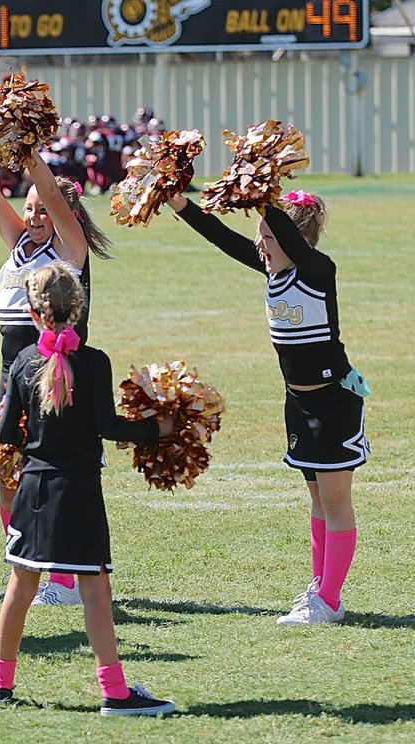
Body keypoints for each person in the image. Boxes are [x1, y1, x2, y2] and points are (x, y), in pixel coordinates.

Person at [166, 188, 367, 626]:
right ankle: (321, 589)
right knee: (316, 498)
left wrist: (262, 192)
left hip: (333, 403)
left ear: (293, 239)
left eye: (269, 238)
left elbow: (289, 239)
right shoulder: (272, 268)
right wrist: (183, 205)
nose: (261, 245)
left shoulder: (317, 270)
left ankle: (330, 599)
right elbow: (221, 237)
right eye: (261, 237)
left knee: (335, 501)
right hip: (298, 402)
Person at [0, 262, 175, 715]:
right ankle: (114, 691)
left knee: (20, 586)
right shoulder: (94, 361)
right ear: (80, 309)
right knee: (94, 590)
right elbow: (108, 426)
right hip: (79, 491)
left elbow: (8, 433)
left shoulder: (25, 362)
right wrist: (158, 429)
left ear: (33, 312)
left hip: (32, 491)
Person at [0, 149, 114, 606]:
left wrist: (28, 150)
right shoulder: (18, 244)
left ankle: (65, 582)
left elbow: (50, 189)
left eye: (41, 209)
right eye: (28, 207)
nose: (32, 215)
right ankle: (25, 566)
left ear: (61, 215)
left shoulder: (69, 250)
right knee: (6, 471)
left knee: (52, 476)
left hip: (55, 373)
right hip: (11, 375)